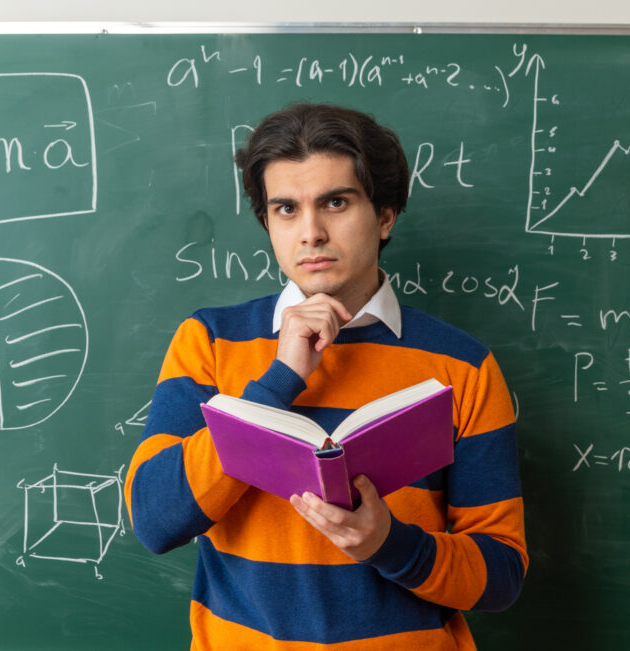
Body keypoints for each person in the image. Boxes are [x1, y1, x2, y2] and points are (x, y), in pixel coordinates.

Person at [126, 103, 526, 649]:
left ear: (385, 215)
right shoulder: (210, 343)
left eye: (335, 202)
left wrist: (390, 544)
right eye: (286, 209)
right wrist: (278, 381)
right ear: (268, 223)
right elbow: (155, 519)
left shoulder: (463, 366)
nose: (310, 233)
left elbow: (501, 574)